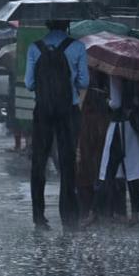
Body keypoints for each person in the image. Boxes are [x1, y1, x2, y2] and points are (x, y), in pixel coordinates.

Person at [25, 19, 88, 230]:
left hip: (43, 111)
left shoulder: (35, 48)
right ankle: (68, 216)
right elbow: (84, 82)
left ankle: (39, 217)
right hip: (68, 111)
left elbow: (29, 83)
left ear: (47, 24)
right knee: (68, 163)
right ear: (67, 24)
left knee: (39, 163)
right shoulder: (77, 47)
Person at [88, 74, 139, 228]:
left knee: (107, 171)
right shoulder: (137, 75)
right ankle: (135, 214)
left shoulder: (116, 75)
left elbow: (116, 104)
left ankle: (93, 212)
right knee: (133, 172)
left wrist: (106, 100)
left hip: (119, 127)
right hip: (133, 126)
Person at [76, 68, 126, 223]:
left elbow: (80, 100)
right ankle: (109, 209)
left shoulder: (87, 71)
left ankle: (90, 209)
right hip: (105, 121)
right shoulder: (114, 72)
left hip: (93, 122)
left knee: (92, 165)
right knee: (104, 167)